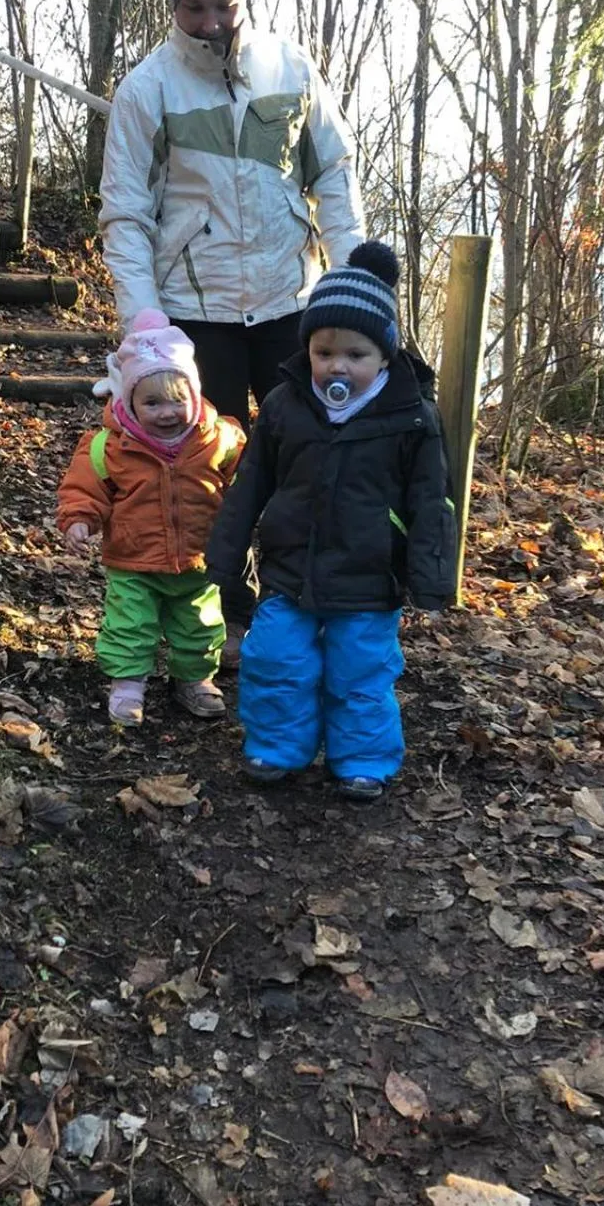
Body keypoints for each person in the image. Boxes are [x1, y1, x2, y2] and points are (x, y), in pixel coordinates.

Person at [98, 0, 365, 651]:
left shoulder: (291, 68)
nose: (212, 20)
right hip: (191, 313)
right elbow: (124, 215)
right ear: (173, 5)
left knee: (298, 458)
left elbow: (335, 176)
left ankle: (291, 605)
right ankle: (220, 619)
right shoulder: (147, 89)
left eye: (225, 3)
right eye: (195, 6)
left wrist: (356, 282)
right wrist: (144, 323)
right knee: (204, 472)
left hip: (289, 299)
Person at [206, 242, 457, 801]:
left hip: (369, 575)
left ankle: (362, 760)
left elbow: (430, 498)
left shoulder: (410, 416)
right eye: (323, 352)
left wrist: (430, 576)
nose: (336, 366)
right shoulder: (284, 405)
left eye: (355, 353)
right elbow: (251, 485)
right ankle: (277, 747)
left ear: (384, 356)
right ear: (308, 351)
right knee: (274, 659)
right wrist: (224, 555)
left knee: (359, 672)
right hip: (290, 570)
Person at [57, 309, 246, 727]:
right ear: (129, 402)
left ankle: (194, 679)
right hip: (132, 560)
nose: (167, 412)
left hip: (198, 558)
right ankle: (128, 683)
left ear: (194, 396)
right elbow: (84, 488)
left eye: (178, 400)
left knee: (200, 624)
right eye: (152, 402)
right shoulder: (109, 446)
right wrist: (80, 519)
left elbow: (249, 481)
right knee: (130, 624)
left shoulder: (222, 441)